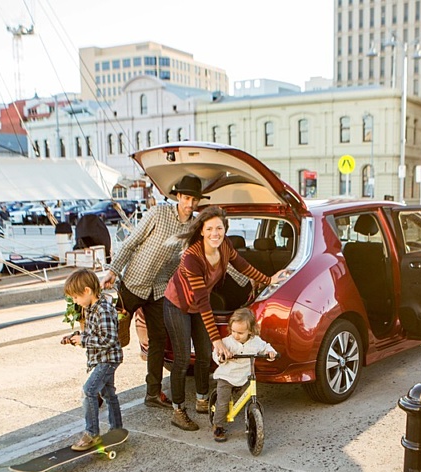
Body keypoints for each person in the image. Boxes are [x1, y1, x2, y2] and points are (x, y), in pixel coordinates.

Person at [163, 206, 274, 431]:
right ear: (202, 231)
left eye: (219, 228)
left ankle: (203, 400)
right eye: (210, 228)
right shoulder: (192, 258)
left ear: (225, 230)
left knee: (205, 355)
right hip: (178, 305)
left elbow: (243, 266)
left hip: (199, 306)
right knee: (183, 358)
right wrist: (218, 340)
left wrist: (269, 279)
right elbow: (203, 300)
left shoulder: (224, 246)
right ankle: (178, 410)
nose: (215, 233)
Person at [102, 175, 204, 412]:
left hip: (159, 290)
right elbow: (130, 243)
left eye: (195, 200)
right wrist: (113, 271)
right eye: (187, 198)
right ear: (178, 196)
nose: (190, 204)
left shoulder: (194, 226)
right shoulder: (159, 214)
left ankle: (153, 393)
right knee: (113, 338)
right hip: (133, 283)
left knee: (158, 340)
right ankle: (99, 388)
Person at [60, 268, 124, 451]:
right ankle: (117, 428)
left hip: (107, 360)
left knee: (88, 391)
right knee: (109, 394)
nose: (75, 301)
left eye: (75, 297)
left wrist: (84, 340)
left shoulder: (103, 309)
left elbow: (109, 339)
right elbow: (93, 334)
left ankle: (92, 433)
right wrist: (76, 337)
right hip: (100, 359)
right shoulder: (90, 308)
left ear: (87, 291)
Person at [210, 308, 276, 442]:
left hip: (244, 377)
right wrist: (222, 357)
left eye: (240, 333)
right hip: (226, 377)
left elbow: (265, 346)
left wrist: (270, 352)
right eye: (233, 331)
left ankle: (254, 418)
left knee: (247, 396)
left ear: (250, 331)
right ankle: (218, 425)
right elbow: (216, 354)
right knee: (222, 404)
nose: (236, 335)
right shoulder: (228, 342)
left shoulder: (255, 341)